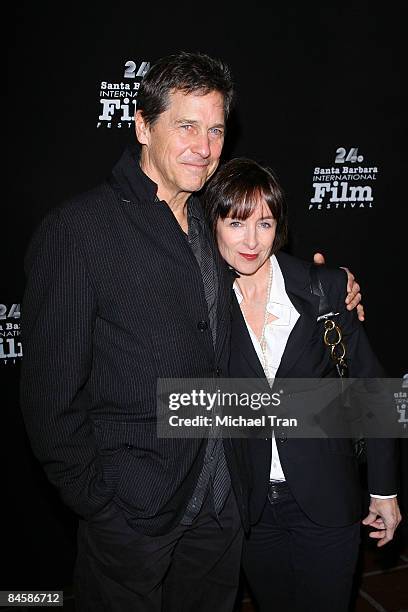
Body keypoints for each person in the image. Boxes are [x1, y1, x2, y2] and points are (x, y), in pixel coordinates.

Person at [20, 52, 362, 612]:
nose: (204, 147)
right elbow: (48, 397)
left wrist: (334, 285)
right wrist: (102, 505)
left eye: (216, 130)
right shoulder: (79, 230)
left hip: (222, 507)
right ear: (142, 125)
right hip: (133, 516)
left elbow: (268, 261)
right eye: (186, 126)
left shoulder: (211, 216)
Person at [203, 157, 402, 612]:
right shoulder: (205, 302)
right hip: (250, 508)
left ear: (280, 227)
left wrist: (385, 491)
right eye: (237, 223)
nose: (252, 241)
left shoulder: (324, 290)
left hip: (326, 498)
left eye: (265, 223)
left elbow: (376, 390)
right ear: (213, 224)